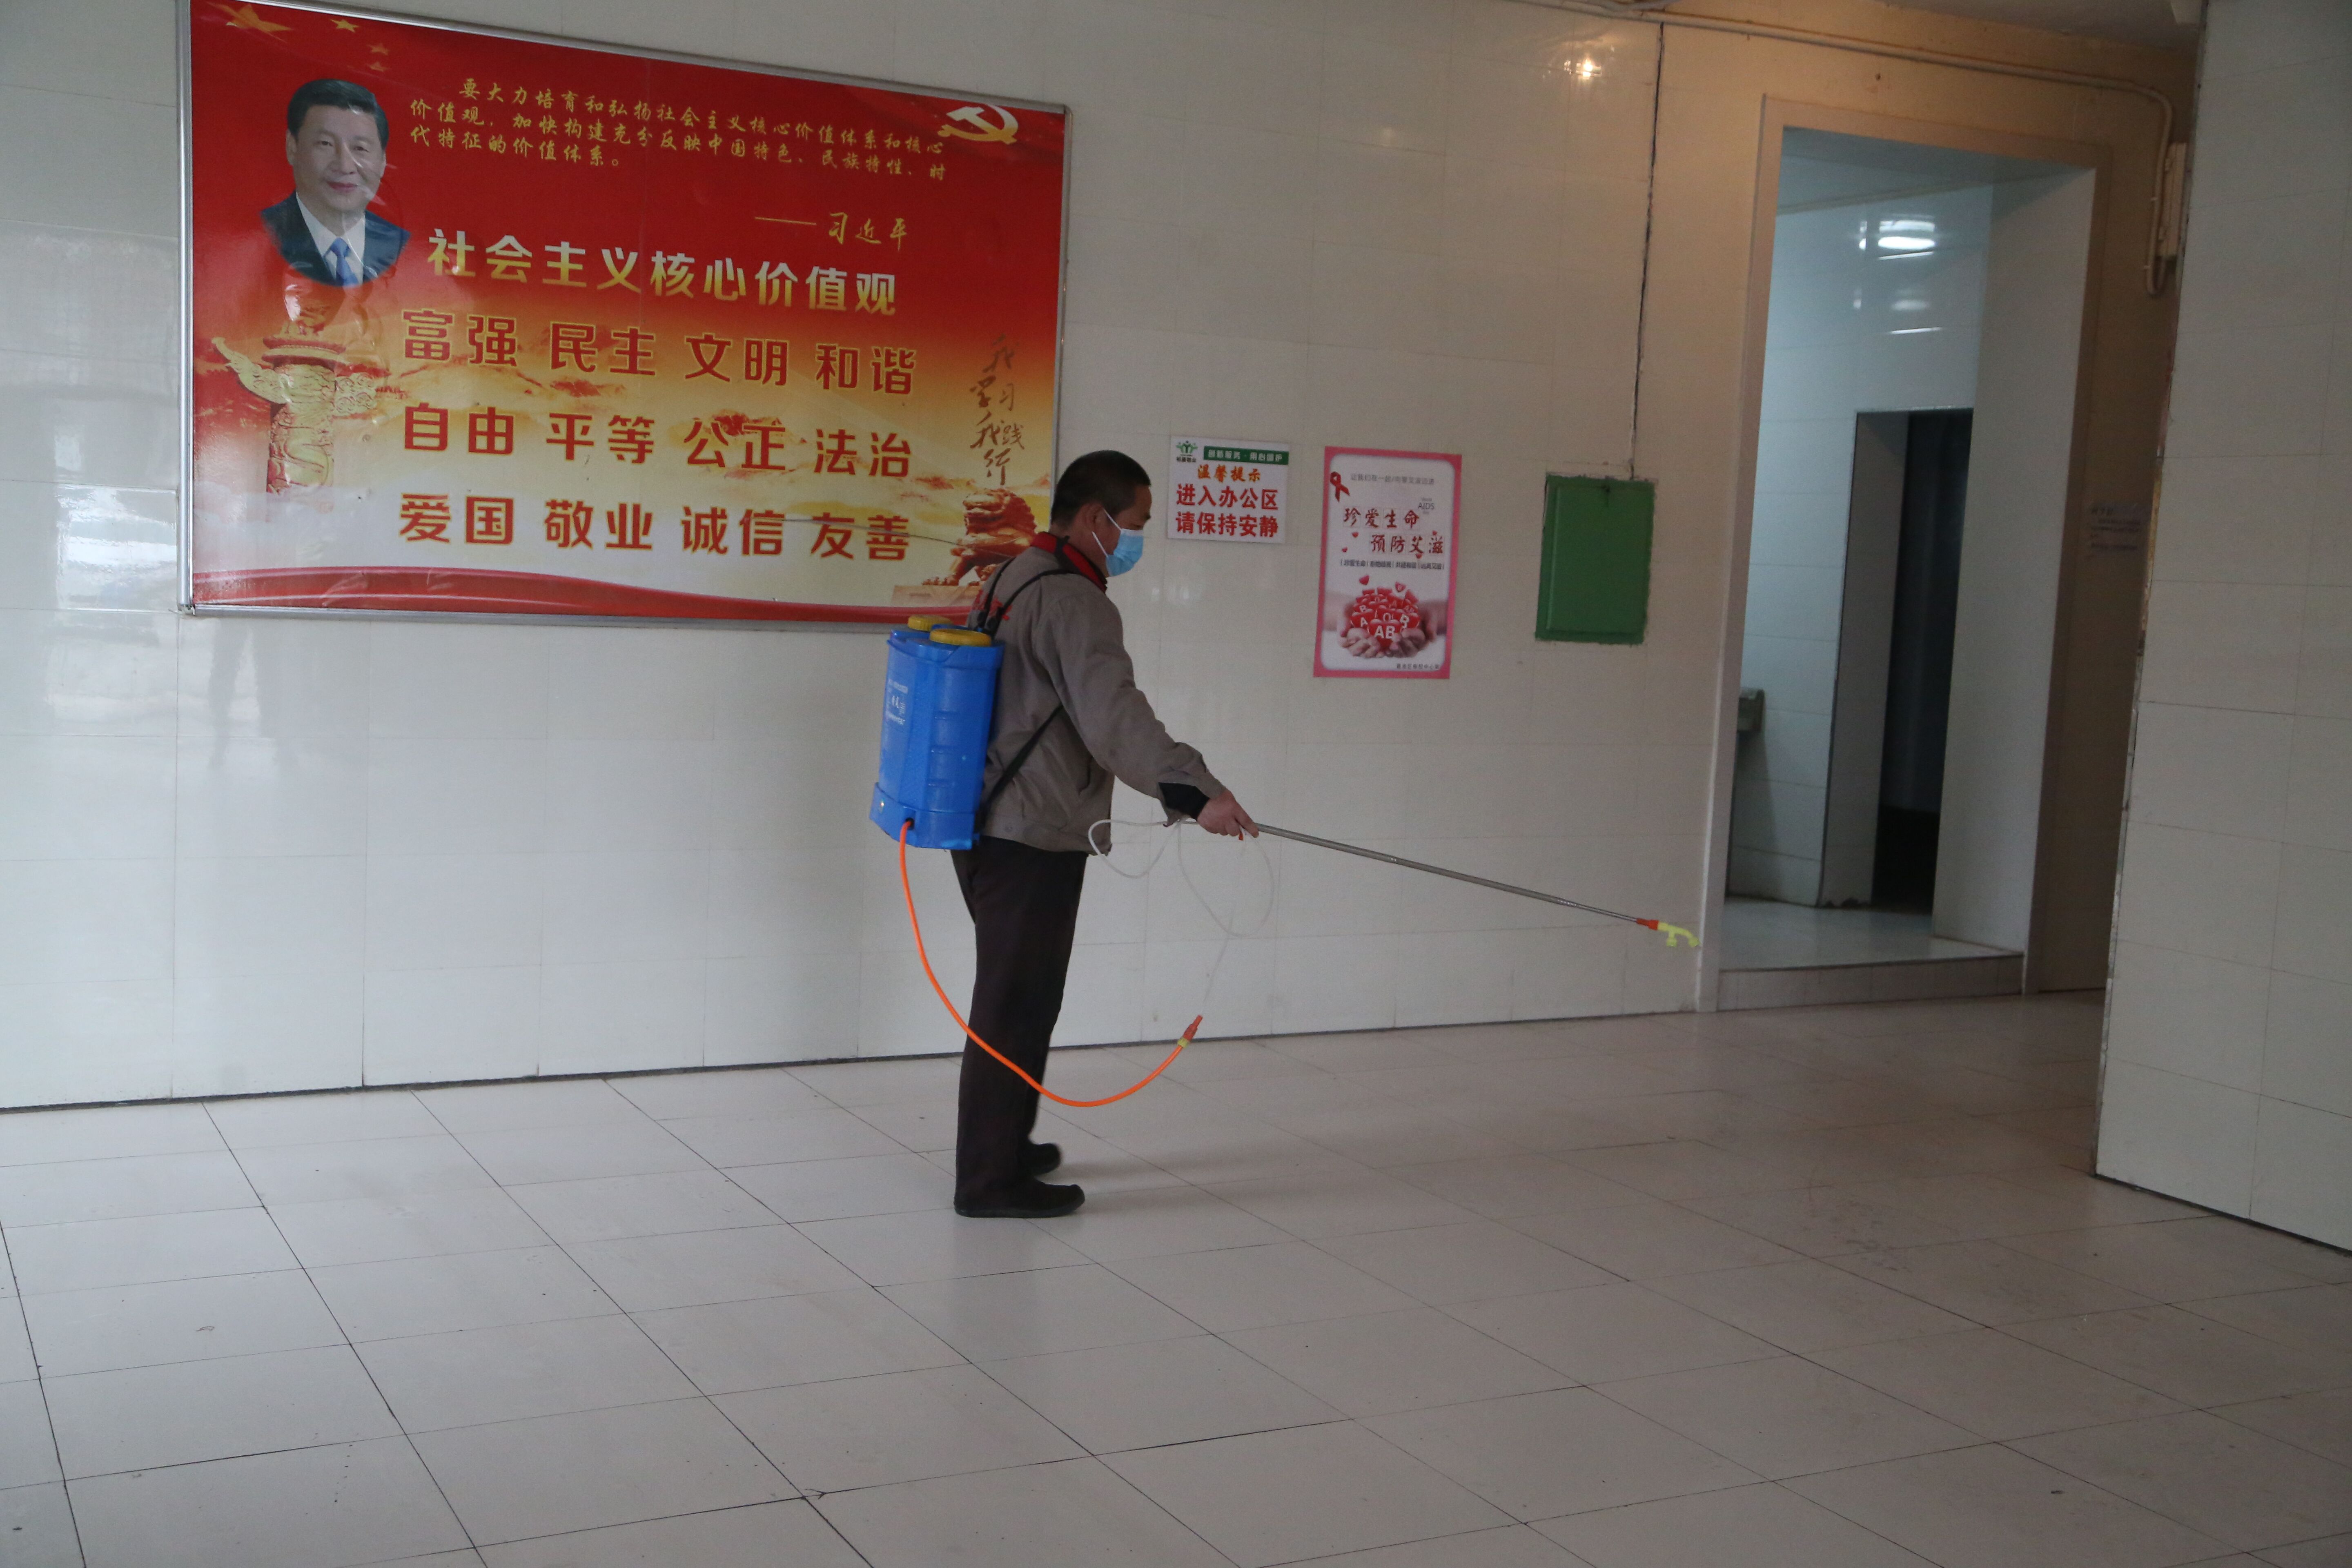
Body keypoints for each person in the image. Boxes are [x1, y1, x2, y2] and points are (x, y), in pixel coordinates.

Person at [952, 450, 1257, 1218]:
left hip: (988, 816)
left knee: (1019, 997)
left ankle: (1007, 1147)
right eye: (1136, 523)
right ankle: (988, 1181)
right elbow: (1114, 717)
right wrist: (1197, 792)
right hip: (1030, 830)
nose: (1136, 540)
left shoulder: (1013, 575)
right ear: (1096, 518)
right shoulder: (1074, 600)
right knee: (1015, 1004)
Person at [261, 79, 407, 289]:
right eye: (325, 144)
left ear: (383, 161)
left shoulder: (400, 244)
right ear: (292, 147)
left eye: (360, 148)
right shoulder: (263, 233)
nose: (345, 166)